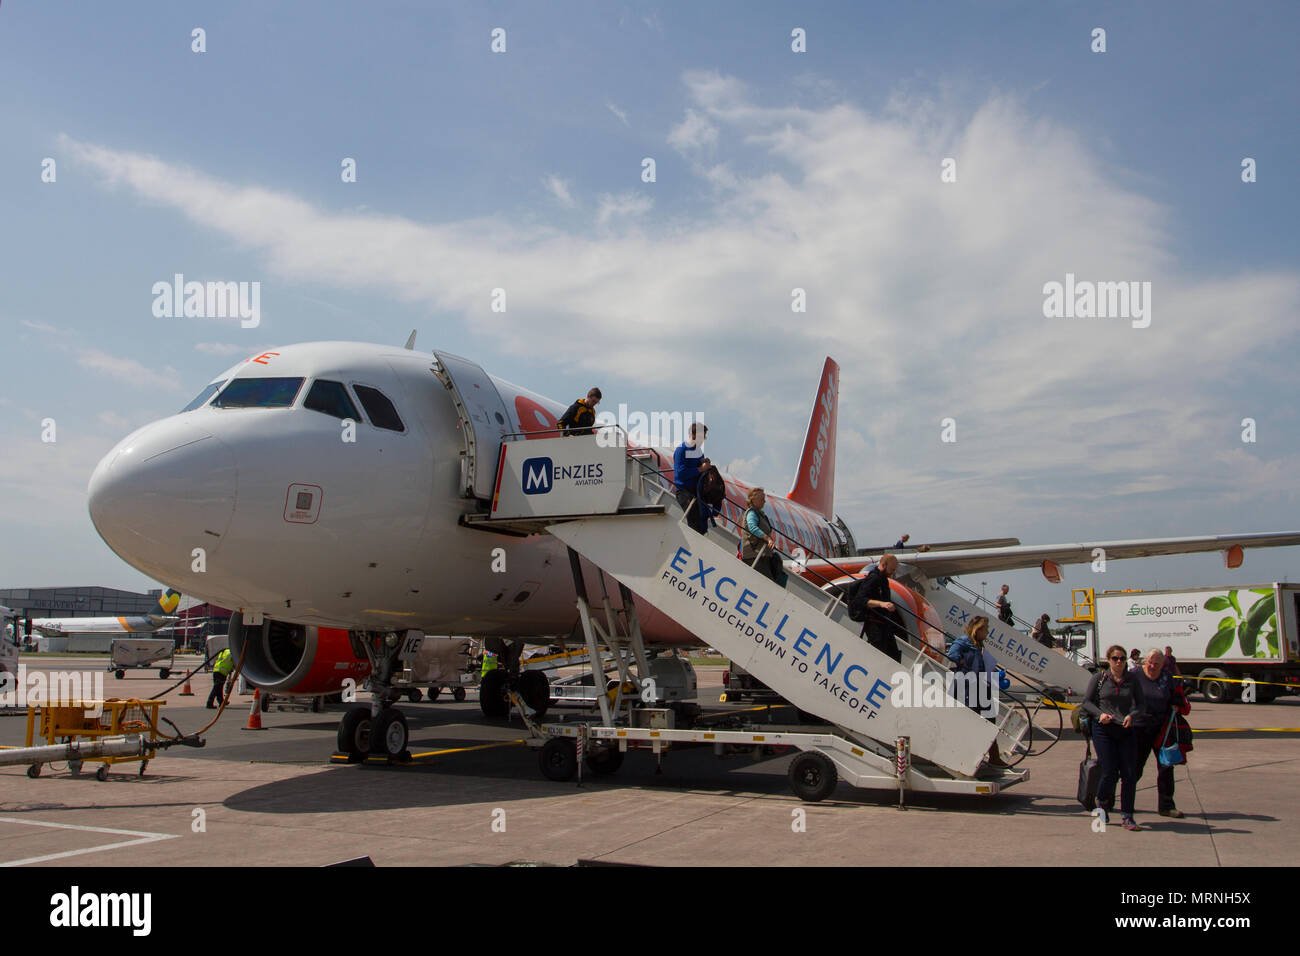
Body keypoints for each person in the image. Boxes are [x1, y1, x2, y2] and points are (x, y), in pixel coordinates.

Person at [1081, 643, 1146, 830]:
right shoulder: (1099, 678)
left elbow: (1141, 705)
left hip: (1125, 729)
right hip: (1103, 729)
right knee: (1109, 771)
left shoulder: (1132, 680)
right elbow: (1086, 702)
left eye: (1122, 659)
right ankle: (1101, 801)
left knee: (1129, 774)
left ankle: (1127, 816)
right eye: (1115, 658)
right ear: (1108, 660)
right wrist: (1099, 714)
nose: (1119, 662)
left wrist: (1132, 716)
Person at [1131, 648, 1189, 818]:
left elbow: (1179, 696)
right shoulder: (1134, 675)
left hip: (1162, 729)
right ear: (1144, 661)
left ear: (1162, 665)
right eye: (1150, 662)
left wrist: (1177, 701)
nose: (1152, 666)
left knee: (1166, 767)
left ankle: (1166, 806)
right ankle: (1124, 802)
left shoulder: (1167, 678)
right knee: (1134, 768)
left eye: (1157, 663)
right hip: (1139, 728)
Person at [945, 616, 1007, 765]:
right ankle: (967, 757)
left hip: (981, 685)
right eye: (985, 629)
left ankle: (994, 756)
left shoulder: (978, 644)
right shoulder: (964, 641)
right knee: (971, 722)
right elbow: (952, 654)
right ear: (977, 630)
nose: (987, 632)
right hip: (967, 687)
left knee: (990, 719)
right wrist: (967, 663)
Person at [857, 554, 904, 663]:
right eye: (891, 569)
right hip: (875, 624)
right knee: (880, 654)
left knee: (894, 655)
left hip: (884, 624)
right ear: (883, 565)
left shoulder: (884, 580)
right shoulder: (873, 578)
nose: (892, 573)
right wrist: (881, 604)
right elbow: (860, 600)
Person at [740, 487, 787, 587]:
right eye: (762, 498)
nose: (764, 501)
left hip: (761, 556)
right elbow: (752, 527)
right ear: (753, 499)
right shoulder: (751, 513)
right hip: (754, 555)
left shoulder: (759, 514)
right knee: (768, 585)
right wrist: (767, 538)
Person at [673, 423, 712, 534]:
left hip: (695, 492)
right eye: (701, 437)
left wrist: (705, 465)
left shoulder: (698, 451)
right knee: (694, 524)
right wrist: (700, 469)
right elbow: (680, 474)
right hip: (685, 492)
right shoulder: (682, 449)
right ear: (693, 435)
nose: (703, 440)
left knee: (701, 525)